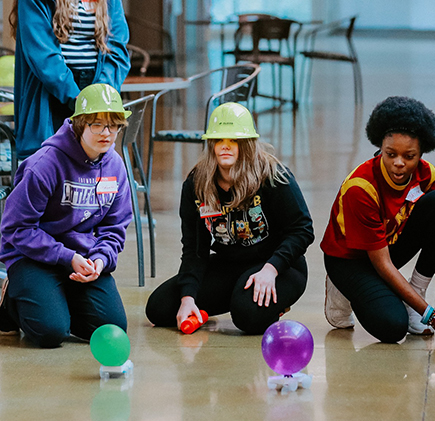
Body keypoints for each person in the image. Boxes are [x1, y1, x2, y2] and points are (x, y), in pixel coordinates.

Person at [145, 103, 314, 335]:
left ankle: (273, 303)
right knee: (159, 308)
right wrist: (188, 298)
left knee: (247, 316)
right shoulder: (197, 184)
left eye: (233, 140)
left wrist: (271, 269)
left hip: (279, 265)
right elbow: (194, 249)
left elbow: (302, 230)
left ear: (247, 144)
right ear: (211, 144)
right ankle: (214, 303)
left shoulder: (274, 176)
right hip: (230, 263)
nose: (225, 146)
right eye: (219, 140)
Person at [321, 96, 435, 344]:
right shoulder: (361, 188)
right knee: (392, 327)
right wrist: (432, 316)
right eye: (390, 154)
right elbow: (381, 264)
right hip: (350, 261)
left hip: (388, 246)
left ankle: (415, 298)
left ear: (421, 153)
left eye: (409, 156)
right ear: (380, 146)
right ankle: (342, 288)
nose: (399, 163)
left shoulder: (426, 174)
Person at [0, 84, 132, 347]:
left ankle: (53, 300)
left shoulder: (115, 166)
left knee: (111, 326)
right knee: (49, 333)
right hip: (32, 256)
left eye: (114, 125)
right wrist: (66, 257)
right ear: (79, 125)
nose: (106, 133)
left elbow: (115, 227)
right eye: (97, 124)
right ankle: (9, 304)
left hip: (82, 257)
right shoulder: (46, 164)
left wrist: (100, 259)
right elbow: (16, 228)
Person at [10, 0, 130, 160]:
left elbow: (117, 48)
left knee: (90, 170)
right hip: (50, 91)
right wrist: (77, 98)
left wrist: (99, 96)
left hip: (95, 86)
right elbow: (43, 55)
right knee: (48, 165)